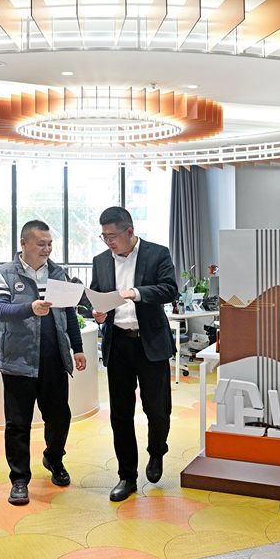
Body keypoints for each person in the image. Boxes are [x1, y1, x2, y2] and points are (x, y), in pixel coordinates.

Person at [0, 220, 86, 506]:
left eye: (49, 243)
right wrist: (29, 308)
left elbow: (69, 314)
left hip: (54, 360)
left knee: (59, 417)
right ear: (24, 243)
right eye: (41, 243)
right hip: (18, 361)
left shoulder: (58, 273)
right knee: (17, 424)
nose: (47, 249)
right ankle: (19, 479)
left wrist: (78, 348)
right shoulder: (5, 273)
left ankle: (54, 458)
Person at [89, 206, 178, 502]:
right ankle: (126, 476)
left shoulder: (157, 253)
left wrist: (136, 293)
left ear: (130, 231)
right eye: (104, 237)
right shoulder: (101, 261)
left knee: (157, 409)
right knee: (120, 414)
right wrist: (98, 313)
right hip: (118, 344)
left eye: (113, 236)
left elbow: (169, 290)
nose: (109, 242)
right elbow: (97, 296)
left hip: (150, 342)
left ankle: (157, 451)